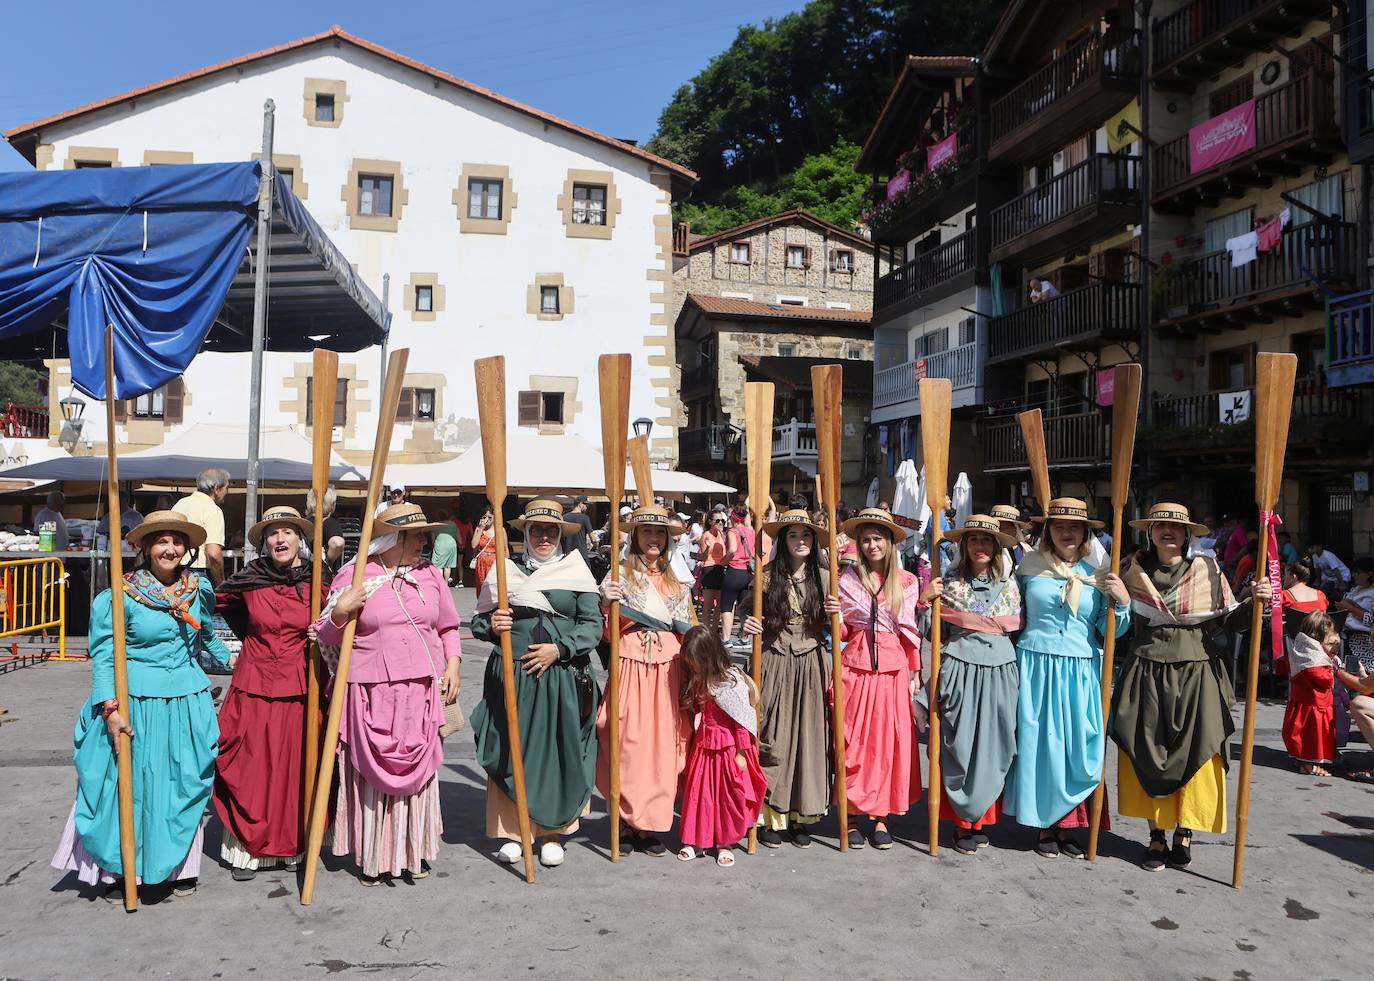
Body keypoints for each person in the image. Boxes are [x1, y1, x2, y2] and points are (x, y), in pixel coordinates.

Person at [52, 511, 231, 900]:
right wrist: (110, 711)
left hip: (186, 700)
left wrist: (251, 664)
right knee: (132, 786)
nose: (170, 548)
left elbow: (208, 639)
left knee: (181, 783)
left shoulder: (195, 589)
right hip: (133, 701)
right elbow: (104, 656)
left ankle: (181, 865)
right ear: (145, 547)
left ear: (188, 548)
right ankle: (123, 867)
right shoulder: (120, 595)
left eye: (178, 541)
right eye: (161, 541)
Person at [312, 503, 462, 884]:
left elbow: (447, 626)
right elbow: (324, 637)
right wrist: (340, 612)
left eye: (425, 535)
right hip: (370, 693)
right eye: (417, 536)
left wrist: (455, 664)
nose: (425, 543)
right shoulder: (355, 575)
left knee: (419, 777)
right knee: (371, 780)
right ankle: (375, 857)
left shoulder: (430, 576)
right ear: (392, 538)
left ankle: (415, 853)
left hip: (421, 692)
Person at [1111, 504, 1265, 872]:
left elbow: (1229, 622)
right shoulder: (1133, 572)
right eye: (1161, 526)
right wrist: (1114, 595)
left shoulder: (1206, 570)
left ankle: (1184, 830)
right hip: (1145, 672)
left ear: (1187, 534)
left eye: (1176, 527)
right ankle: (1156, 835)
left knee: (1199, 754)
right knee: (1145, 752)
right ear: (1150, 531)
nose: (1168, 532)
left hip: (1198, 673)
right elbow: (1115, 623)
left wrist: (1257, 601)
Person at [469, 500, 601, 869]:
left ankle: (552, 831)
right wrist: (492, 624)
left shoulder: (577, 571)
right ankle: (514, 831)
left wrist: (559, 650)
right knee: (512, 749)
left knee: (557, 750)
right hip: (511, 676)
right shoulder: (504, 571)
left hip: (560, 677)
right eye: (536, 529)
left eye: (551, 530)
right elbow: (478, 623)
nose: (543, 536)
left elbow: (593, 626)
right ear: (524, 533)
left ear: (561, 534)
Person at [1005, 498, 1129, 859]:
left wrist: (1121, 604)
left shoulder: (1099, 573)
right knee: (1040, 746)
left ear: (1086, 532)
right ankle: (1044, 825)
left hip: (1081, 667)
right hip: (1035, 665)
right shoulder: (1028, 567)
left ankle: (1069, 825)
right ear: (1048, 531)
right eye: (1059, 526)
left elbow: (1112, 630)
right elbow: (1011, 610)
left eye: (1074, 527)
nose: (1066, 532)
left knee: (1077, 746)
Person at [212, 506, 325, 880]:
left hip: (300, 687)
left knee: (293, 767)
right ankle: (248, 849)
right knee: (252, 768)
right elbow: (224, 603)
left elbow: (341, 621)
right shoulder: (249, 579)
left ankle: (291, 847)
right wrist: (252, 637)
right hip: (253, 685)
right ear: (264, 542)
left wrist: (322, 633)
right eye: (273, 533)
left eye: (288, 532)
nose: (281, 539)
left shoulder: (318, 581)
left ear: (300, 540)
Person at [595, 501, 694, 856]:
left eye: (660, 532)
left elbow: (689, 632)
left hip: (668, 670)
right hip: (631, 667)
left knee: (663, 748)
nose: (653, 538)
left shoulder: (678, 580)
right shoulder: (618, 575)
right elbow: (606, 635)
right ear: (635, 537)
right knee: (627, 742)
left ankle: (649, 825)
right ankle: (624, 819)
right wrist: (605, 604)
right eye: (647, 531)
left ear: (668, 539)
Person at [921, 515, 1023, 855]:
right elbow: (930, 631)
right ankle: (961, 825)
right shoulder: (947, 581)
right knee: (959, 745)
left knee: (994, 745)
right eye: (974, 540)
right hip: (960, 668)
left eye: (986, 540)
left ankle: (980, 821)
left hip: (1000, 671)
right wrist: (927, 600)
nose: (980, 546)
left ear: (995, 547)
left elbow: (1018, 627)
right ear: (964, 546)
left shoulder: (1010, 583)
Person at [740, 509, 838, 848]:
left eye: (806, 535)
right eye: (794, 535)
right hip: (775, 660)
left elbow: (839, 627)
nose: (801, 541)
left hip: (811, 662)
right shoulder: (766, 576)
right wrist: (749, 624)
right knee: (774, 737)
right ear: (784, 541)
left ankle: (802, 816)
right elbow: (744, 614)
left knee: (810, 740)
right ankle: (771, 816)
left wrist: (834, 617)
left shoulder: (827, 579)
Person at [836, 506, 926, 850]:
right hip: (856, 668)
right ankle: (852, 815)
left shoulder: (906, 581)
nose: (872, 545)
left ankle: (880, 817)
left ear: (889, 543)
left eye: (878, 539)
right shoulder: (846, 580)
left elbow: (910, 633)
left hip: (892, 670)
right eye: (866, 539)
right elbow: (844, 632)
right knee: (854, 744)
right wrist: (836, 617)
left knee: (886, 745)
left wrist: (915, 673)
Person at [676, 627, 767, 867]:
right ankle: (697, 839)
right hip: (704, 747)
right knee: (699, 795)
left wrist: (741, 752)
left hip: (727, 749)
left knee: (727, 797)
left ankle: (724, 842)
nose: (693, 667)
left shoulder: (731, 682)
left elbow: (741, 721)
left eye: (696, 662)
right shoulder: (699, 679)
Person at [1283, 612, 1340, 778]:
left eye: (1337, 643)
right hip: (1314, 704)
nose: (1335, 648)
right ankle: (1307, 762)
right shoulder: (1313, 660)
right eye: (1330, 643)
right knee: (1310, 735)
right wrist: (1335, 672)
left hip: (1310, 703)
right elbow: (1323, 679)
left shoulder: (1302, 650)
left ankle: (1307, 759)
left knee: (1311, 734)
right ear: (1317, 640)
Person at [173, 467, 229, 585]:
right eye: (226, 488)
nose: (227, 492)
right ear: (216, 488)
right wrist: (221, 582)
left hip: (174, 571)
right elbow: (213, 553)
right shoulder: (212, 510)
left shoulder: (180, 504)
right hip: (198, 573)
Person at [720, 503, 756, 650]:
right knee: (744, 607)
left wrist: (724, 561)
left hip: (735, 571)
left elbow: (733, 549)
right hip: (748, 573)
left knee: (727, 606)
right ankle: (745, 638)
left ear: (733, 517)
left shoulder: (732, 531)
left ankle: (726, 639)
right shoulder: (750, 531)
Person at [1338, 558, 1374, 671]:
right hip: (1344, 632)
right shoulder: (1355, 589)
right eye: (1353, 572)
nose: (1354, 575)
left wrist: (1350, 608)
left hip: (1360, 637)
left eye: (1358, 573)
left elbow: (1371, 620)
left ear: (1369, 574)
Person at [698, 509, 728, 636]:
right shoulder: (706, 535)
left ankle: (714, 630)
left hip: (720, 568)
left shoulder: (722, 534)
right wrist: (708, 547)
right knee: (708, 604)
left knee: (720, 604)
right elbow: (703, 558)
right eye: (717, 520)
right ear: (710, 522)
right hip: (709, 568)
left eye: (722, 520)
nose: (720, 523)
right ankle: (706, 631)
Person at [306, 486, 346, 574]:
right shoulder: (330, 523)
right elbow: (337, 542)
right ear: (332, 504)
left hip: (304, 575)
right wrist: (329, 562)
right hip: (323, 578)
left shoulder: (304, 523)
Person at [430, 508, 461, 587]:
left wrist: (433, 545)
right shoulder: (453, 524)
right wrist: (460, 544)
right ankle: (446, 583)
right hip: (451, 545)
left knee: (438, 565)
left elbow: (432, 538)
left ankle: (439, 582)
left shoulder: (436, 525)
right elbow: (459, 537)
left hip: (440, 544)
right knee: (448, 565)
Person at [471, 507, 498, 590]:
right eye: (484, 517)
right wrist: (481, 529)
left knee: (494, 588)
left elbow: (505, 550)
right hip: (482, 564)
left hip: (494, 563)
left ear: (494, 517)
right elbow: (474, 545)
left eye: (489, 517)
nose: (487, 519)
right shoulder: (479, 530)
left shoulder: (500, 530)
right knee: (482, 588)